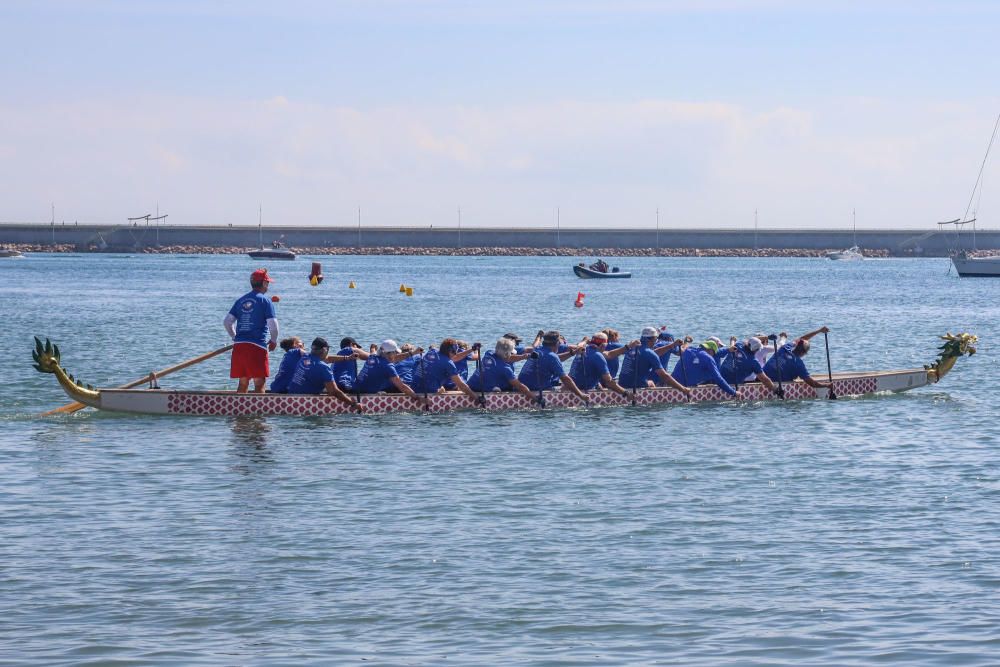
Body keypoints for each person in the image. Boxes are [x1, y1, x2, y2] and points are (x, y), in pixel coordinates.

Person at [224, 268, 279, 393]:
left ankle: (239, 410)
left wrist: (235, 337)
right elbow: (273, 325)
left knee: (243, 382)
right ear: (264, 283)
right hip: (257, 346)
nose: (268, 285)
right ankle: (259, 411)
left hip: (239, 347)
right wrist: (274, 340)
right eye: (268, 282)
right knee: (259, 382)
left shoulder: (240, 300)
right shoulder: (265, 301)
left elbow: (227, 322)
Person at [286, 337, 362, 410]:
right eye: (328, 349)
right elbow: (334, 392)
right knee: (336, 389)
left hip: (291, 395)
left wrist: (347, 357)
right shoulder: (324, 368)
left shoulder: (305, 356)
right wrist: (353, 404)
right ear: (325, 350)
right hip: (303, 402)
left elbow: (328, 359)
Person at [517, 330, 588, 405]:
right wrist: (581, 394)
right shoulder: (552, 357)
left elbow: (554, 359)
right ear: (557, 343)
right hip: (535, 389)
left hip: (521, 386)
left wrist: (573, 352)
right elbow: (565, 379)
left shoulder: (537, 349)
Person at [353, 340, 429, 406]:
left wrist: (413, 353)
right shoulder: (388, 366)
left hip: (356, 388)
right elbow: (401, 386)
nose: (396, 354)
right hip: (364, 396)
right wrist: (418, 398)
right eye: (395, 352)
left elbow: (395, 358)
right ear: (389, 353)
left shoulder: (373, 356)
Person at [619, 326, 692, 395]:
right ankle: (653, 402)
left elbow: (653, 352)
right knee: (651, 383)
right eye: (655, 340)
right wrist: (683, 389)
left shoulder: (631, 347)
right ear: (651, 339)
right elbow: (664, 376)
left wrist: (672, 345)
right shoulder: (650, 353)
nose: (656, 342)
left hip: (621, 383)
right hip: (635, 386)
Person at [467, 337, 540, 402]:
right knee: (513, 384)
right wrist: (536, 399)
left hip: (471, 386)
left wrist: (523, 357)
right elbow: (520, 387)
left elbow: (505, 358)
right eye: (511, 353)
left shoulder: (488, 353)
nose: (511, 355)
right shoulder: (505, 369)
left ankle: (495, 387)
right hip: (480, 392)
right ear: (507, 354)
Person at [410, 338, 482, 403]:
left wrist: (472, 349)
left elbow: (454, 357)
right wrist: (476, 398)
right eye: (454, 352)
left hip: (413, 388)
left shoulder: (432, 351)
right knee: (443, 389)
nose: (455, 354)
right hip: (427, 393)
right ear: (450, 351)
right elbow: (461, 385)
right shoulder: (448, 364)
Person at [763, 326, 834, 390]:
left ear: (796, 346)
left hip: (761, 377)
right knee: (798, 375)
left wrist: (819, 331)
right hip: (775, 384)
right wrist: (826, 385)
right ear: (805, 353)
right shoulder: (798, 363)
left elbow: (802, 339)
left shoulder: (786, 347)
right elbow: (812, 383)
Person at [716, 336, 783, 397]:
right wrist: (776, 390)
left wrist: (766, 337)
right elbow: (764, 380)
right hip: (732, 387)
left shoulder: (738, 345)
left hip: (718, 379)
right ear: (756, 350)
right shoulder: (753, 362)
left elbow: (751, 340)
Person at [671, 339, 741, 397]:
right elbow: (718, 379)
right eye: (714, 354)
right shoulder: (708, 358)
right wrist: (734, 392)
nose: (713, 356)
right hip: (685, 388)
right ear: (711, 351)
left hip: (672, 382)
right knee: (714, 374)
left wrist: (728, 349)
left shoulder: (688, 350)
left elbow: (718, 352)